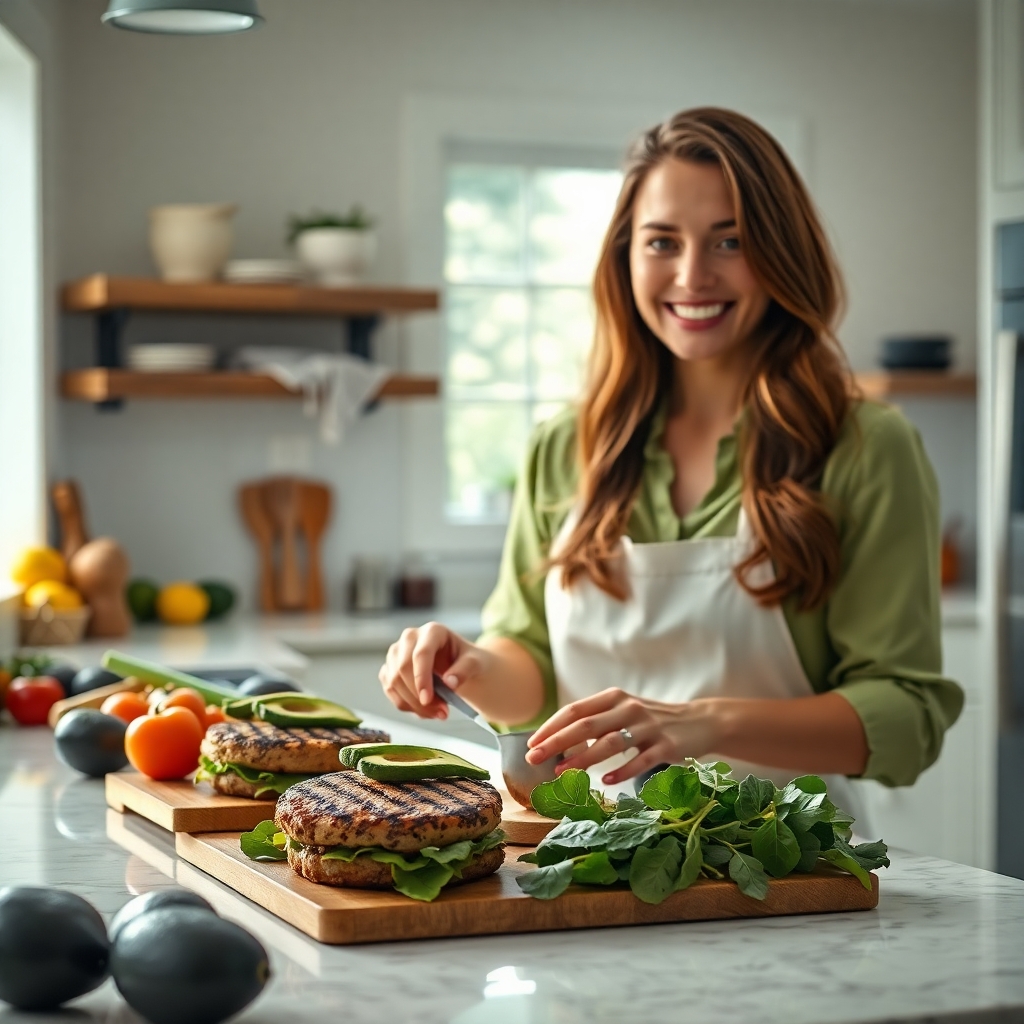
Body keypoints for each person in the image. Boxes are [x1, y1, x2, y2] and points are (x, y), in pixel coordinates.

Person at [378, 107, 963, 813]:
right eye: (662, 242)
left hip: (785, 875)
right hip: (583, 858)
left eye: (730, 241)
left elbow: (906, 714)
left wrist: (704, 722)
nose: (692, 275)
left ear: (783, 255)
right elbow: (530, 661)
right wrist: (467, 667)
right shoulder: (568, 443)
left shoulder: (865, 446)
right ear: (626, 258)